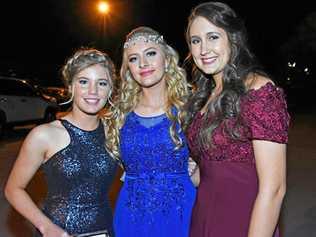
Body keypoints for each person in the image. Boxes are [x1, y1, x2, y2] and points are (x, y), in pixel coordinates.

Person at [184, 2, 290, 237]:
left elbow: (274, 189)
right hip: (202, 220)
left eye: (212, 37)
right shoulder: (203, 98)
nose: (203, 49)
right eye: (195, 41)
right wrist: (194, 173)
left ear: (233, 38)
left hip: (244, 221)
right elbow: (211, 173)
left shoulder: (259, 91)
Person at [5, 48, 118, 237]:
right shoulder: (44, 135)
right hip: (58, 231)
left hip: (104, 229)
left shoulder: (114, 132)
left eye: (102, 83)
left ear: (110, 89)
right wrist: (46, 227)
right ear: (71, 86)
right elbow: (13, 189)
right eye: (83, 82)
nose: (93, 91)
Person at [105, 26, 196, 237]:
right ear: (127, 68)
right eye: (134, 59)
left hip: (182, 216)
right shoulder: (119, 114)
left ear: (166, 58)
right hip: (131, 219)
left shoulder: (190, 108)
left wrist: (199, 167)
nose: (143, 64)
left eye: (151, 53)